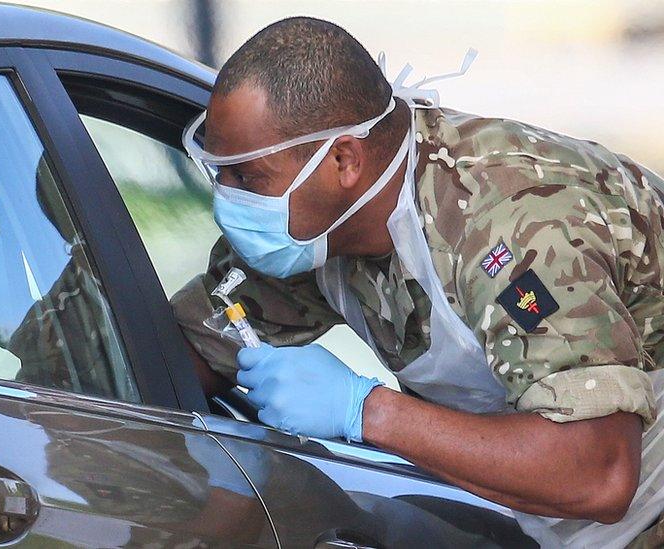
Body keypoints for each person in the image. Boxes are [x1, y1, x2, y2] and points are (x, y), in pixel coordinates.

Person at [171, 16, 664, 548]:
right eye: (218, 172)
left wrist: (365, 410)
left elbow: (599, 472)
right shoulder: (316, 227)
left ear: (342, 159)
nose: (228, 199)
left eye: (246, 176)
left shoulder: (512, 221)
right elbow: (176, 349)